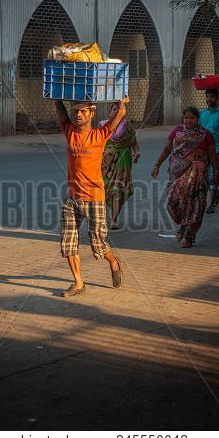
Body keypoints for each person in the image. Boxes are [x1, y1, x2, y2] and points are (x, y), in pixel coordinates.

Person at [55, 95, 130, 297]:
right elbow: (60, 112)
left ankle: (113, 262)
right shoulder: (69, 131)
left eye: (83, 111)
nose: (78, 115)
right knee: (68, 241)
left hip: (94, 197)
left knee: (98, 243)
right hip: (72, 198)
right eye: (76, 111)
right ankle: (78, 283)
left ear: (92, 113)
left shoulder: (101, 134)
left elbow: (119, 115)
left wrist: (122, 102)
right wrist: (58, 98)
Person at [151, 106, 219, 248]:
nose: (188, 120)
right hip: (176, 175)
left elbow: (212, 155)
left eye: (192, 118)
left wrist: (216, 172)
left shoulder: (205, 134)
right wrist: (157, 164)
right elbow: (167, 149)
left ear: (197, 119)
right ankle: (183, 226)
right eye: (186, 117)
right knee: (174, 202)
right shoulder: (177, 131)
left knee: (197, 205)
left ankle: (188, 235)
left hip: (198, 176)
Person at [99, 103, 140, 230]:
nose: (116, 112)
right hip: (105, 163)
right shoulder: (103, 126)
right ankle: (102, 217)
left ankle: (114, 219)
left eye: (119, 109)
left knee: (117, 191)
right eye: (114, 109)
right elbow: (97, 144)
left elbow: (135, 146)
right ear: (110, 111)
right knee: (104, 190)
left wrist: (137, 154)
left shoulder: (129, 128)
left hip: (122, 163)